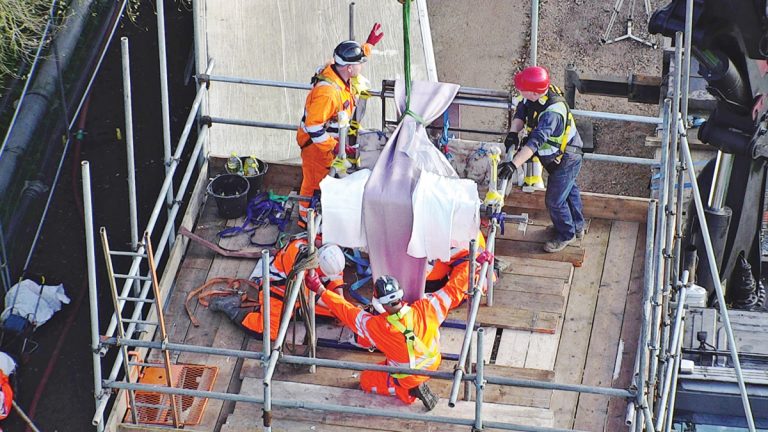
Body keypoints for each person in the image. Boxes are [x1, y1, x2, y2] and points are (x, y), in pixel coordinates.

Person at [304, 251, 493, 410]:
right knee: (394, 359)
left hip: (408, 377)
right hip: (434, 363)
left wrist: (321, 290)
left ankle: (407, 392)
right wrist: (476, 264)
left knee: (366, 379)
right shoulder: (427, 309)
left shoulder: (377, 327)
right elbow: (454, 290)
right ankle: (407, 381)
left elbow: (348, 312)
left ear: (379, 302)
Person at [296, 24, 384, 228]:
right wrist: (334, 147)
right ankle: (305, 220)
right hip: (316, 147)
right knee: (315, 183)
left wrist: (368, 45)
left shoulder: (338, 71)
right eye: (359, 63)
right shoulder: (328, 94)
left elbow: (352, 58)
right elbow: (314, 127)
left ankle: (318, 215)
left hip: (327, 141)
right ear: (349, 68)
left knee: (325, 180)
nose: (361, 66)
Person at [499, 66, 585, 253]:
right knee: (569, 190)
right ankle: (577, 226)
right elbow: (522, 110)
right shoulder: (537, 96)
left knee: (554, 201)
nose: (519, 90)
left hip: (567, 158)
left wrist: (513, 165)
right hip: (559, 157)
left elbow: (534, 144)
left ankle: (566, 234)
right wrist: (513, 133)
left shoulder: (552, 114)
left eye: (522, 88)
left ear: (533, 91)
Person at [208, 238, 346, 340]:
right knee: (269, 332)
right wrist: (337, 307)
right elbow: (308, 295)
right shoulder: (297, 260)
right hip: (278, 292)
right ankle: (231, 308)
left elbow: (335, 276)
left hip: (304, 291)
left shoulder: (327, 251)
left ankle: (297, 312)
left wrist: (340, 298)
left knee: (337, 311)